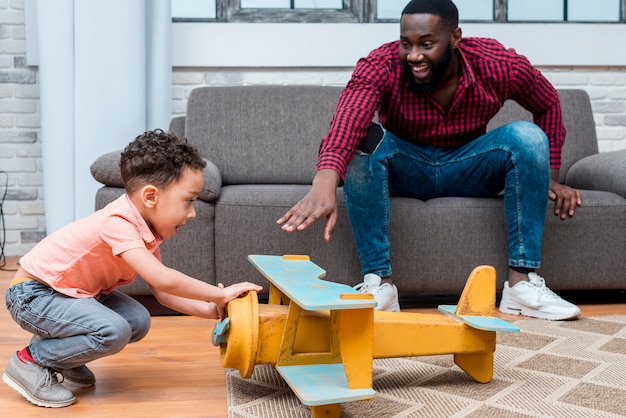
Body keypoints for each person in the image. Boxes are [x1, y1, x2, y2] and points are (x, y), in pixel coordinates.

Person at [277, 0, 582, 320]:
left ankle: (522, 285)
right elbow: (349, 119)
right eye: (406, 44)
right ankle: (379, 285)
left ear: (455, 37)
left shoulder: (496, 64)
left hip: (471, 166)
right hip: (406, 167)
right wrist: (325, 179)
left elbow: (547, 102)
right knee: (364, 137)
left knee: (527, 136)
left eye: (427, 44)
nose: (414, 55)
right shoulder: (381, 64)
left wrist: (552, 177)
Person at [2, 129, 262, 408]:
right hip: (33, 295)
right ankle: (29, 360)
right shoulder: (118, 222)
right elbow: (162, 277)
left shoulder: (144, 231)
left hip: (71, 295)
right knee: (112, 330)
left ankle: (64, 355)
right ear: (150, 196)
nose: (193, 213)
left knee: (138, 320)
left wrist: (208, 310)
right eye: (188, 200)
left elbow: (162, 292)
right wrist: (218, 294)